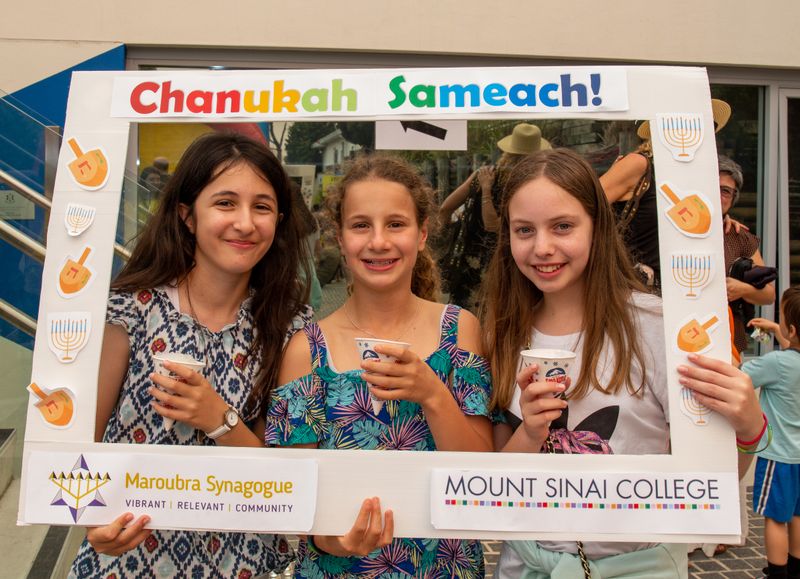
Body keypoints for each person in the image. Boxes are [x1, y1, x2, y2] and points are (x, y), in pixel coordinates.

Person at [480, 148, 764, 577]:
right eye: (524, 230)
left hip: (640, 566)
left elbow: (713, 481)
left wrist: (748, 429)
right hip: (526, 565)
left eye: (562, 226)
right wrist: (531, 433)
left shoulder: (657, 327)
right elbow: (496, 483)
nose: (543, 247)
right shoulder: (502, 333)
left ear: (598, 225)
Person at [69, 133, 311, 578]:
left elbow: (285, 482)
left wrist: (220, 419)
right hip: (126, 564)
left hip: (242, 564)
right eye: (225, 203)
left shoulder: (290, 328)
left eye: (261, 207)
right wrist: (90, 520)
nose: (245, 223)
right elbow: (76, 448)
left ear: (278, 220)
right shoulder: (129, 310)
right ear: (187, 216)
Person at [265, 154, 494, 578]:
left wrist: (432, 393)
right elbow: (295, 495)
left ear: (421, 234)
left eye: (395, 224)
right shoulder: (306, 350)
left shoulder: (459, 330)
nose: (378, 241)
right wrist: (333, 540)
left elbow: (481, 475)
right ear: (340, 238)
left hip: (445, 566)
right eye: (360, 225)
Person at [599, 99, 732, 290]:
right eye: (688, 125)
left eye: (708, 127)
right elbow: (583, 206)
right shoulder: (639, 165)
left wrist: (720, 217)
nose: (699, 133)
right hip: (631, 290)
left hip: (679, 293)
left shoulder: (694, 180)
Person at [439, 122, 550, 311]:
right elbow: (493, 226)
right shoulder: (528, 184)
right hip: (505, 263)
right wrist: (487, 191)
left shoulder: (483, 175)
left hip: (471, 261)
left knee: (463, 316)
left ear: (508, 151)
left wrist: (447, 234)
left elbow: (445, 208)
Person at [743, 286, 800, 579]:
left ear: (793, 329)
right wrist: (778, 329)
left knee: (775, 518)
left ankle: (777, 574)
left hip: (779, 457)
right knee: (797, 514)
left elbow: (741, 377)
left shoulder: (777, 363)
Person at [719, 154, 776, 354]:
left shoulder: (739, 237)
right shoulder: (676, 227)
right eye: (713, 186)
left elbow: (769, 294)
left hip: (729, 338)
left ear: (733, 198)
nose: (718, 195)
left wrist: (742, 289)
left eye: (726, 191)